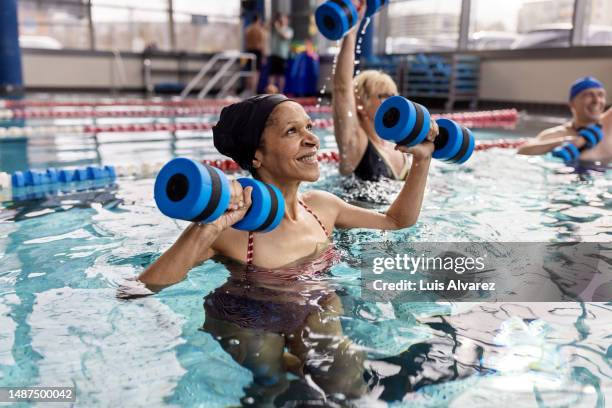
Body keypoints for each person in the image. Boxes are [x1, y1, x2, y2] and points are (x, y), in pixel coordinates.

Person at [137, 94, 437, 398]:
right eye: (292, 131)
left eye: (308, 127)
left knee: (347, 382)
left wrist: (422, 159)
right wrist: (209, 226)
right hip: (247, 316)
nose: (312, 140)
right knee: (272, 383)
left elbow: (396, 220)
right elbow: (141, 288)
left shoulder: (323, 207)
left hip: (315, 303)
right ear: (257, 156)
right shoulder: (231, 228)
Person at [333, 2, 423, 181]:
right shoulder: (355, 143)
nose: (392, 102)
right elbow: (342, 89)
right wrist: (351, 32)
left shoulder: (401, 149)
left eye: (393, 96)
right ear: (360, 103)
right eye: (383, 96)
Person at [517, 76, 611, 162]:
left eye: (601, 95)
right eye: (588, 95)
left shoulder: (608, 125)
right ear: (572, 103)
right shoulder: (557, 134)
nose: (596, 101)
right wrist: (565, 142)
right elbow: (523, 150)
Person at [268, 13, 293, 93]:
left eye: (284, 19)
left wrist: (278, 27)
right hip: (274, 54)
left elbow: (284, 36)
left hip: (282, 55)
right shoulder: (274, 29)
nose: (282, 20)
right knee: (272, 74)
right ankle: (270, 93)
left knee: (281, 75)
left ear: (287, 21)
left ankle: (281, 92)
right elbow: (266, 27)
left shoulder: (289, 30)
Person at [244, 14, 266, 95]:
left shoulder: (248, 29)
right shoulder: (260, 30)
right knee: (256, 73)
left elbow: (246, 42)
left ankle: (248, 90)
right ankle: (253, 91)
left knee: (249, 71)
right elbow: (262, 44)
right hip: (257, 51)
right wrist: (264, 56)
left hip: (249, 51)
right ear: (258, 20)